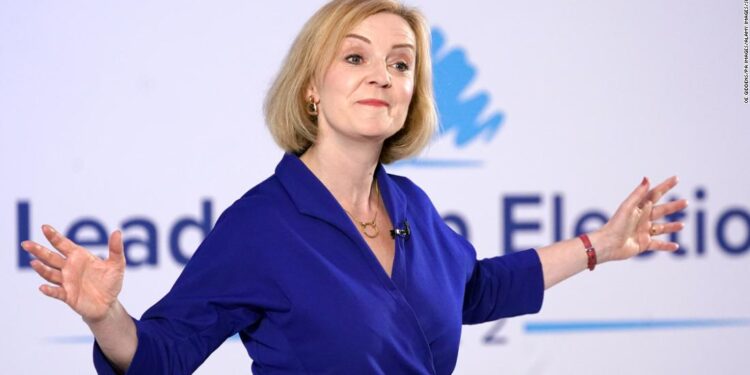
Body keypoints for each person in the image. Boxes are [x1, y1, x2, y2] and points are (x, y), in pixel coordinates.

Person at [20, 0, 688, 374]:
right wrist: (106, 315)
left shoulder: (413, 208)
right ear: (312, 88)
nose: (383, 75)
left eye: (401, 63)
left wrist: (600, 244)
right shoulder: (260, 225)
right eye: (355, 56)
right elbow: (162, 356)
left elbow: (474, 289)